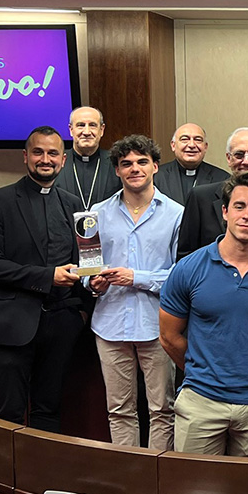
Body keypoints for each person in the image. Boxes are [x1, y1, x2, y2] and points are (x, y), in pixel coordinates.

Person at [159, 173, 248, 457]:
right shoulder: (189, 268)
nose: (247, 215)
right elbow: (168, 336)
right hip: (200, 401)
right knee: (193, 493)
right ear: (225, 212)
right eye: (239, 206)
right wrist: (205, 372)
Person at [0, 126, 92, 432]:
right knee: (9, 415)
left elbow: (85, 262)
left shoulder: (74, 206)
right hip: (11, 324)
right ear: (25, 157)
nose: (45, 159)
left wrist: (86, 296)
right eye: (38, 152)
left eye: (53, 153)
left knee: (49, 411)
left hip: (61, 325)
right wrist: (47, 276)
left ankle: (43, 481)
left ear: (63, 160)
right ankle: (6, 481)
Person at [87, 134, 183, 450]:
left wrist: (135, 277)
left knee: (163, 409)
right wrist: (92, 283)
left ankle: (158, 480)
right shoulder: (95, 213)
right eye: (126, 163)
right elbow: (86, 268)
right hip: (109, 324)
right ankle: (129, 479)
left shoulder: (176, 213)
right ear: (117, 170)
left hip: (158, 326)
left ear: (155, 166)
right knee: (119, 411)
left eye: (142, 162)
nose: (134, 169)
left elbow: (180, 275)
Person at [177, 127, 248, 260]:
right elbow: (185, 255)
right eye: (239, 155)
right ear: (229, 158)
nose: (246, 161)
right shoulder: (200, 198)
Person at [54, 106, 121, 211]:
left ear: (102, 130)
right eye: (80, 125)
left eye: (92, 125)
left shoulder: (116, 163)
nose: (86, 132)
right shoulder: (56, 163)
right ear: (71, 130)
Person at [153, 123, 230, 205]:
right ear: (173, 145)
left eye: (198, 140)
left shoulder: (222, 179)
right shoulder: (157, 176)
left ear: (205, 147)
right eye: (184, 139)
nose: (192, 145)